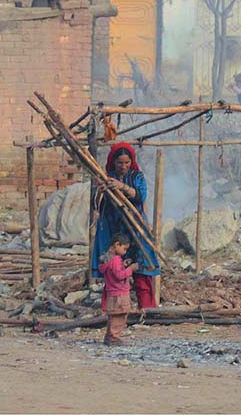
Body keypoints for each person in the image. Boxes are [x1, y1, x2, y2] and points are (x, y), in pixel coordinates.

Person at [92, 142, 161, 309]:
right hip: (113, 228)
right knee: (113, 269)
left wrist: (122, 187)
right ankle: (111, 309)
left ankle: (146, 309)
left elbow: (141, 196)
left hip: (135, 227)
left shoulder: (137, 176)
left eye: (126, 163)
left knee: (141, 269)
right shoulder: (106, 176)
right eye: (119, 163)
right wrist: (101, 191)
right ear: (113, 162)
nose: (123, 166)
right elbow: (96, 203)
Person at [99, 232, 138, 346]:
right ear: (117, 245)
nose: (125, 252)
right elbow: (119, 276)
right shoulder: (116, 259)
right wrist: (130, 269)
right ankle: (114, 338)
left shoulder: (107, 259)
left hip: (111, 293)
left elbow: (113, 271)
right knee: (119, 317)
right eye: (124, 249)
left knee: (113, 317)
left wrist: (123, 264)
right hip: (119, 293)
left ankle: (109, 337)